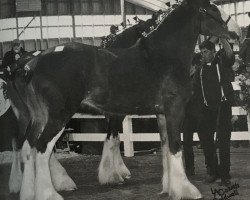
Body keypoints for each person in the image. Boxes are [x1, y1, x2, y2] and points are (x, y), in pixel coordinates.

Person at [195, 37, 235, 186]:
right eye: (201, 52)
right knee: (206, 141)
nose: (203, 55)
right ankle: (213, 171)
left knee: (223, 142)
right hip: (207, 110)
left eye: (206, 52)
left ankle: (225, 176)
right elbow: (197, 92)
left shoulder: (222, 64)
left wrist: (223, 37)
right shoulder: (199, 70)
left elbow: (230, 54)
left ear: (213, 51)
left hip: (223, 108)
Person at [183, 53, 203, 176]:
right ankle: (190, 168)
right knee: (187, 143)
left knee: (206, 141)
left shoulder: (200, 74)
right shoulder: (184, 76)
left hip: (199, 113)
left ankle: (211, 167)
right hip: (187, 114)